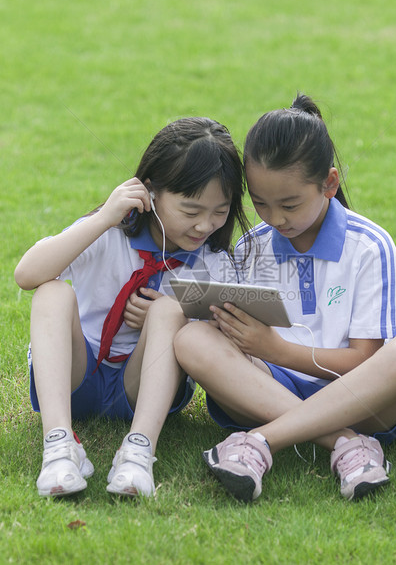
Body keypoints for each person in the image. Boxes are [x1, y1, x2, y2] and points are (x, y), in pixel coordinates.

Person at [173, 94, 396, 501]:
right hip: (266, 390)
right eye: (260, 203)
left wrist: (275, 348)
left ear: (329, 184)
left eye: (289, 204)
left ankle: (260, 443)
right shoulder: (253, 245)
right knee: (190, 339)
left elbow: (365, 361)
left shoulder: (369, 246)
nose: (275, 219)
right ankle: (347, 446)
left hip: (360, 399)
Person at [14, 117, 250, 498]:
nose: (205, 225)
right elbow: (27, 274)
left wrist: (172, 317)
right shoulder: (110, 232)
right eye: (191, 211)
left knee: (170, 310)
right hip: (78, 376)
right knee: (52, 293)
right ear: (151, 192)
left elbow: (229, 343)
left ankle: (138, 452)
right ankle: (59, 445)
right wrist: (104, 217)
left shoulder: (216, 261)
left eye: (219, 212)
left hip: (144, 387)